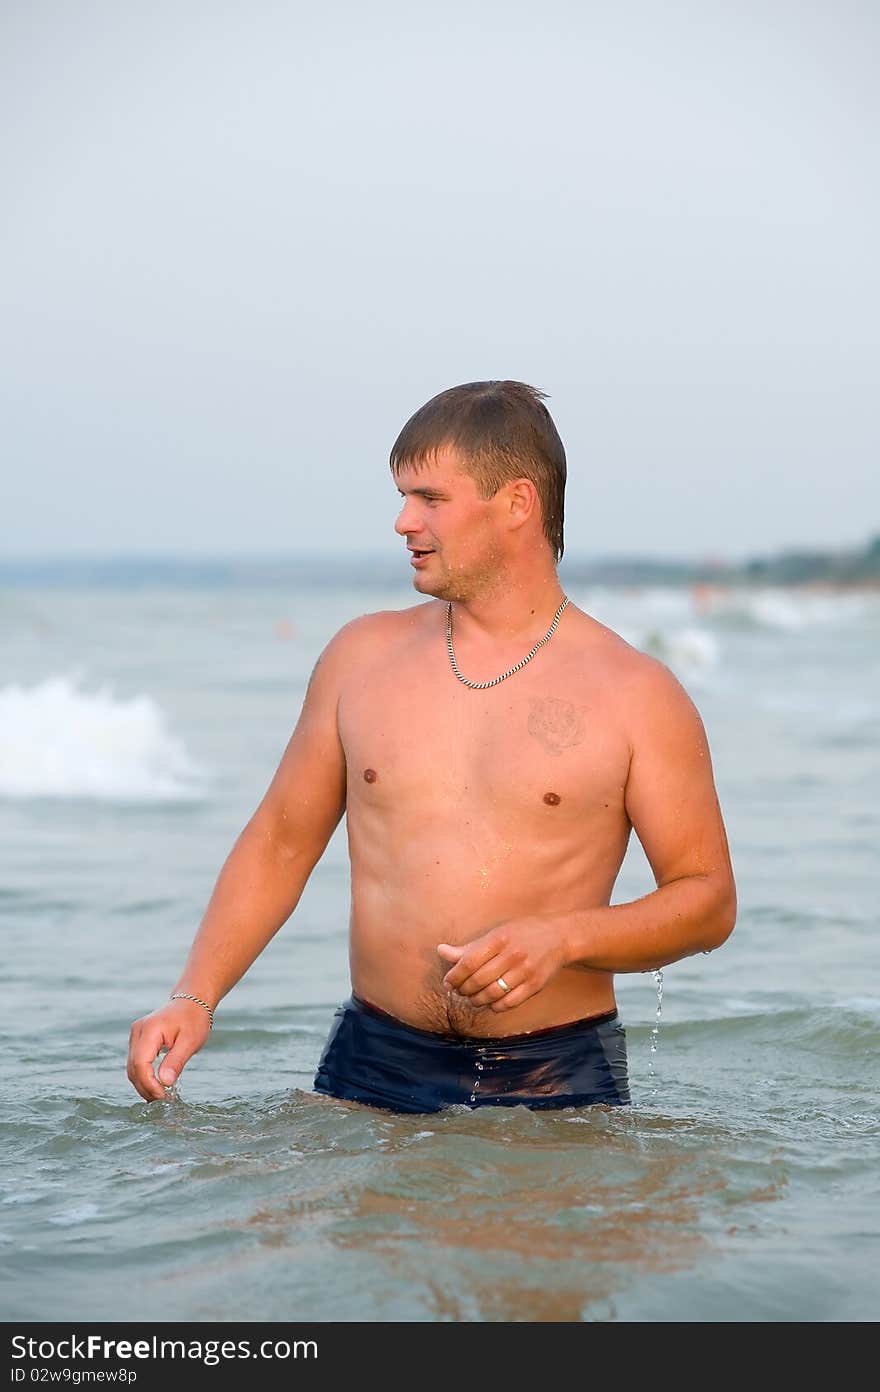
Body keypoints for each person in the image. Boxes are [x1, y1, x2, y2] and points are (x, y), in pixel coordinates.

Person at [127, 381, 737, 1114]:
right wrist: (195, 997)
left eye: (429, 499)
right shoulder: (360, 658)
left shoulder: (636, 693)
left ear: (517, 504)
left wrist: (564, 938)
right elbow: (281, 842)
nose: (402, 521)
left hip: (555, 1073)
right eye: (402, 496)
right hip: (372, 1060)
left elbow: (708, 901)